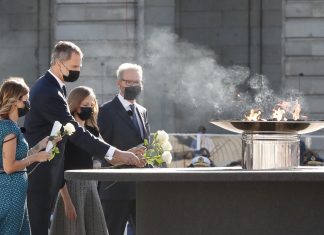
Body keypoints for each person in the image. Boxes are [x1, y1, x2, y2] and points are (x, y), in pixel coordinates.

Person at [24, 41, 145, 235]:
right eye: (74, 67)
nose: (78, 70)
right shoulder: (49, 92)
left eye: (80, 66)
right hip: (40, 173)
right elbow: (75, 133)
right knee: (37, 228)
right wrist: (116, 153)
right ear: (57, 62)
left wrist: (118, 154)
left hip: (46, 172)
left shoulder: (55, 86)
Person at [98, 63, 150, 235]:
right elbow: (100, 149)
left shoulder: (142, 111)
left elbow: (146, 142)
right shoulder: (105, 111)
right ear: (119, 83)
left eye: (137, 82)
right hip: (115, 188)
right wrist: (126, 153)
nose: (133, 86)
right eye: (128, 82)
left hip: (140, 189)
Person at [50, 86, 109, 234]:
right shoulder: (63, 130)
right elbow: (57, 167)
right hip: (70, 188)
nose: (89, 108)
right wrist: (67, 202)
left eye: (91, 105)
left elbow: (109, 153)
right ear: (75, 105)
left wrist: (131, 154)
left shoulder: (93, 130)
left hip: (91, 187)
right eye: (85, 105)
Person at [0, 77, 52, 234]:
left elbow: (15, 157)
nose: (29, 104)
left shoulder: (8, 125)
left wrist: (38, 147)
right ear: (15, 101)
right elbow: (9, 166)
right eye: (26, 100)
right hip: (11, 192)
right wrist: (36, 158)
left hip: (14, 192)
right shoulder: (9, 128)